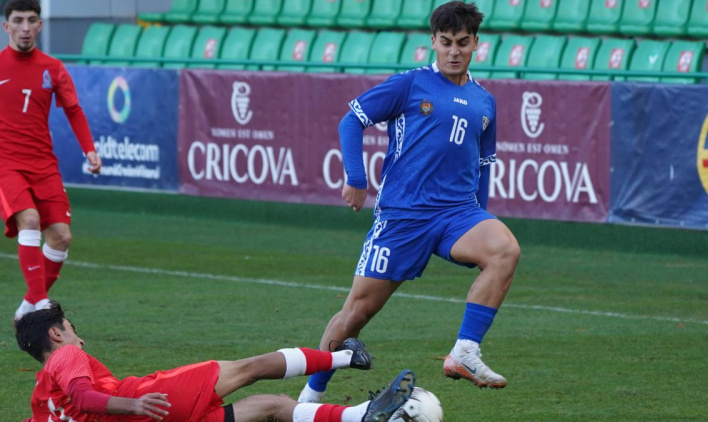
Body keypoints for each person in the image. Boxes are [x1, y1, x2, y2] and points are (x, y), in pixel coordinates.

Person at [298, 1, 521, 403]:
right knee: (355, 314)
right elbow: (352, 120)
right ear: (433, 42)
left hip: (457, 213)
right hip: (404, 216)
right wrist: (356, 177)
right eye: (447, 42)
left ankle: (465, 352)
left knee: (505, 250)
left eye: (463, 43)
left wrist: (482, 215)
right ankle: (309, 397)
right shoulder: (409, 84)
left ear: (476, 44)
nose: (454, 51)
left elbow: (484, 165)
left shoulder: (485, 101)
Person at [15, 301, 417, 422]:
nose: (78, 338)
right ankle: (348, 355)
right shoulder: (66, 356)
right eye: (70, 328)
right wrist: (133, 404)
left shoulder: (41, 400)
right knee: (251, 367)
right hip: (152, 399)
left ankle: (361, 416)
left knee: (273, 406)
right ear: (55, 335)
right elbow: (85, 397)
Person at [1, 0, 102, 321]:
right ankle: (42, 302)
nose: (26, 27)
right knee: (28, 221)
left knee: (61, 236)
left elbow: (73, 110)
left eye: (32, 20)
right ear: (7, 26)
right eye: (18, 20)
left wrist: (90, 149)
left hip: (44, 165)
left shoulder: (53, 67)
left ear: (40, 25)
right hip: (7, 164)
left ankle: (29, 304)